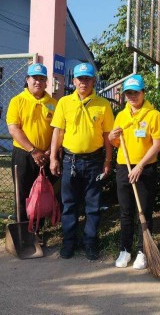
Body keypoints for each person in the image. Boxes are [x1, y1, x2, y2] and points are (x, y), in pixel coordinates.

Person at [49, 62, 114, 260]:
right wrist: (53, 157)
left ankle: (90, 243)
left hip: (94, 161)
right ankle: (69, 242)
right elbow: (58, 132)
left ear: (93, 81)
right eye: (80, 79)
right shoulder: (64, 103)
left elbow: (107, 136)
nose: (83, 82)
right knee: (69, 204)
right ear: (74, 81)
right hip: (70, 161)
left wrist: (108, 161)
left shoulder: (103, 104)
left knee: (92, 205)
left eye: (87, 79)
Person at [108, 74, 160, 270]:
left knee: (145, 211)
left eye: (136, 92)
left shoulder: (153, 114)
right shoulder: (121, 115)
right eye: (128, 93)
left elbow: (157, 144)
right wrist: (111, 137)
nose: (132, 96)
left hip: (145, 168)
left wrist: (140, 166)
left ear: (143, 93)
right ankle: (125, 249)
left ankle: (142, 251)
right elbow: (115, 143)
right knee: (126, 211)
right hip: (124, 167)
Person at [6, 63, 58, 227]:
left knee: (42, 194)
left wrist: (50, 151)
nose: (38, 82)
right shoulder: (17, 101)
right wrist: (33, 151)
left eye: (42, 79)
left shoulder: (53, 103)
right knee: (22, 193)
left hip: (47, 155)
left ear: (46, 82)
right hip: (24, 155)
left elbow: (58, 129)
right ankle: (22, 229)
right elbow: (14, 129)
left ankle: (37, 230)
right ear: (27, 80)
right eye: (35, 78)